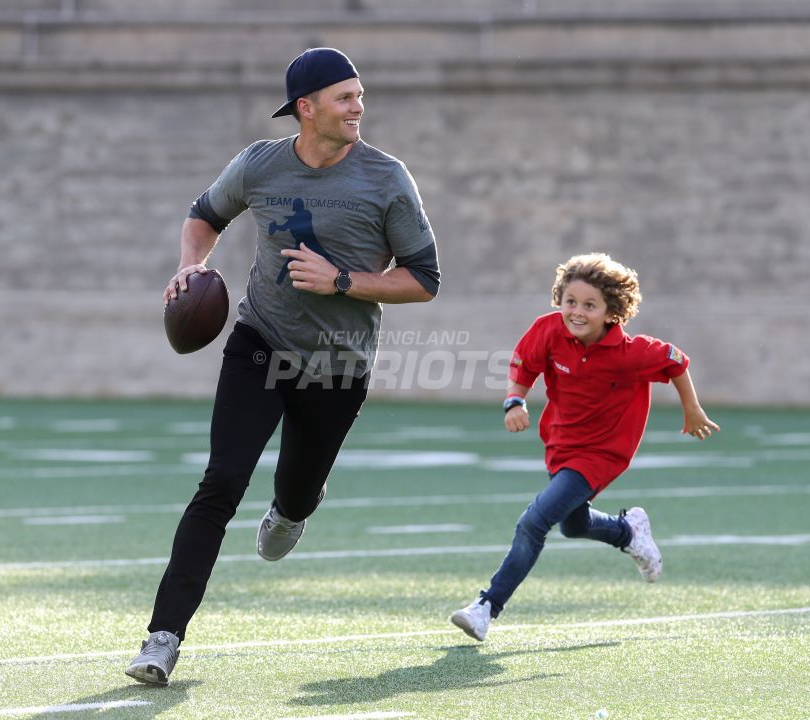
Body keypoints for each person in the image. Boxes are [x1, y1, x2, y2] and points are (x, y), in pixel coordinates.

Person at [125, 47, 441, 685]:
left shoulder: (386, 178)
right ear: (307, 108)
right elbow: (204, 217)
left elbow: (425, 280)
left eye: (359, 95)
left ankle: (295, 507)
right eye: (345, 97)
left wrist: (342, 281)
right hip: (259, 343)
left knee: (293, 496)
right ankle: (162, 638)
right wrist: (191, 265)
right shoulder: (259, 164)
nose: (359, 107)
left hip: (337, 367)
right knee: (220, 484)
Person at [449, 252, 718, 642]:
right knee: (574, 526)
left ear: (612, 312)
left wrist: (692, 410)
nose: (576, 312)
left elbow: (676, 361)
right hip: (560, 445)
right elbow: (524, 366)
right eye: (569, 301)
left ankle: (486, 607)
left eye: (589, 305)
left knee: (534, 522)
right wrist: (515, 401)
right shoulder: (549, 330)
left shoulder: (631, 353)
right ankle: (628, 532)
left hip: (603, 454)